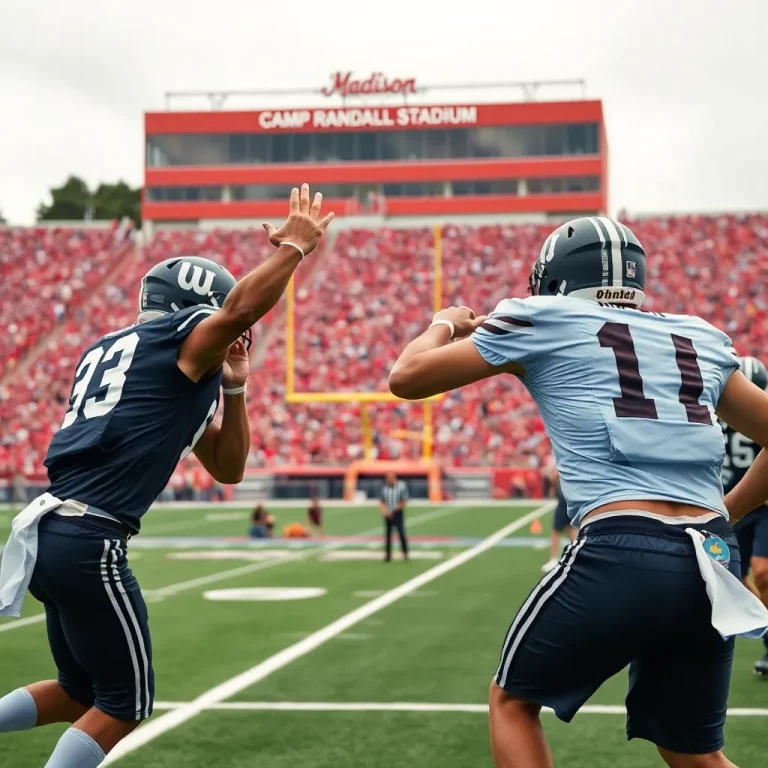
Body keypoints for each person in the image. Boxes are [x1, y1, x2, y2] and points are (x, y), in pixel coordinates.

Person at [389, 216, 768, 768]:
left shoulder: (544, 317)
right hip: (712, 558)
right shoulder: (699, 334)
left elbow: (407, 376)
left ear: (554, 279)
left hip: (622, 546)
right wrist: (726, 514)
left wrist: (442, 324)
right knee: (697, 756)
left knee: (513, 701)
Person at [0, 184, 333, 767]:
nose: (236, 332)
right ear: (194, 308)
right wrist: (294, 250)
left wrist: (234, 386)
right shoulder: (173, 343)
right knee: (125, 703)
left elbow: (227, 468)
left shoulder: (125, 355)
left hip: (52, 534)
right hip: (88, 536)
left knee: (80, 693)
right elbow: (240, 310)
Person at [721, 356, 768, 676]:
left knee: (763, 572)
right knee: (730, 579)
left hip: (764, 505)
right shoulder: (711, 411)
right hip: (729, 504)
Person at [541, 470, 576, 574]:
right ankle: (578, 557)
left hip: (564, 498)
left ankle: (553, 559)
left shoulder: (565, 459)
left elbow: (555, 476)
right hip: (571, 497)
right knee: (571, 529)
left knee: (556, 530)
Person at [379, 472, 409, 562]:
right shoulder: (384, 488)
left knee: (401, 532)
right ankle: (388, 555)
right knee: (388, 534)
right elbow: (381, 502)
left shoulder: (401, 487)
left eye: (391, 478)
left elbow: (404, 500)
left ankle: (405, 552)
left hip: (397, 512)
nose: (389, 480)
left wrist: (396, 508)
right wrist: (384, 511)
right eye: (388, 478)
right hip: (388, 513)